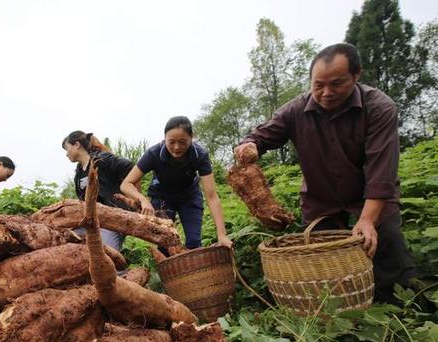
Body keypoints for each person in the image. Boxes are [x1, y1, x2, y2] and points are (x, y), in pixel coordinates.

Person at [233, 43, 417, 303]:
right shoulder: (295, 110)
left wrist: (367, 220)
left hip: (369, 196)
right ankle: (335, 313)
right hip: (322, 198)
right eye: (318, 85)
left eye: (337, 84)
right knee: (319, 261)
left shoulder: (378, 108)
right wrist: (250, 145)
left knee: (385, 246)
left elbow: (381, 172)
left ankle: (399, 310)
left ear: (356, 75)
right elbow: (261, 135)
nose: (326, 93)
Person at [120, 116, 232, 250]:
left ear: (192, 138)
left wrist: (222, 235)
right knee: (165, 244)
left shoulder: (200, 155)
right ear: (164, 139)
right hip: (162, 198)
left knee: (194, 243)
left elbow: (212, 196)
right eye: (171, 142)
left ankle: (196, 270)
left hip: (189, 196)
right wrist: (143, 199)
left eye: (183, 142)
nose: (177, 147)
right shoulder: (153, 154)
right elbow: (126, 184)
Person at [62, 131, 135, 250]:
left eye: (67, 148)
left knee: (107, 255)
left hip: (113, 220)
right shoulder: (79, 173)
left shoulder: (102, 159)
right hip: (92, 222)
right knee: (66, 240)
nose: (66, 154)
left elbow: (130, 167)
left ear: (76, 145)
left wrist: (132, 197)